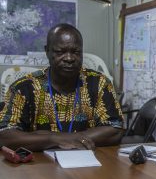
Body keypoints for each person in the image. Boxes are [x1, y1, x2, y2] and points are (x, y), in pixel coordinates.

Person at [0, 23, 124, 151]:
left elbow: (115, 129)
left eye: (76, 52)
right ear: (47, 51)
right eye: (60, 52)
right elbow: (5, 136)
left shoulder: (99, 83)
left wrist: (64, 138)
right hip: (38, 165)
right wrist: (55, 139)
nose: (69, 58)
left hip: (88, 162)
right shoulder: (23, 88)